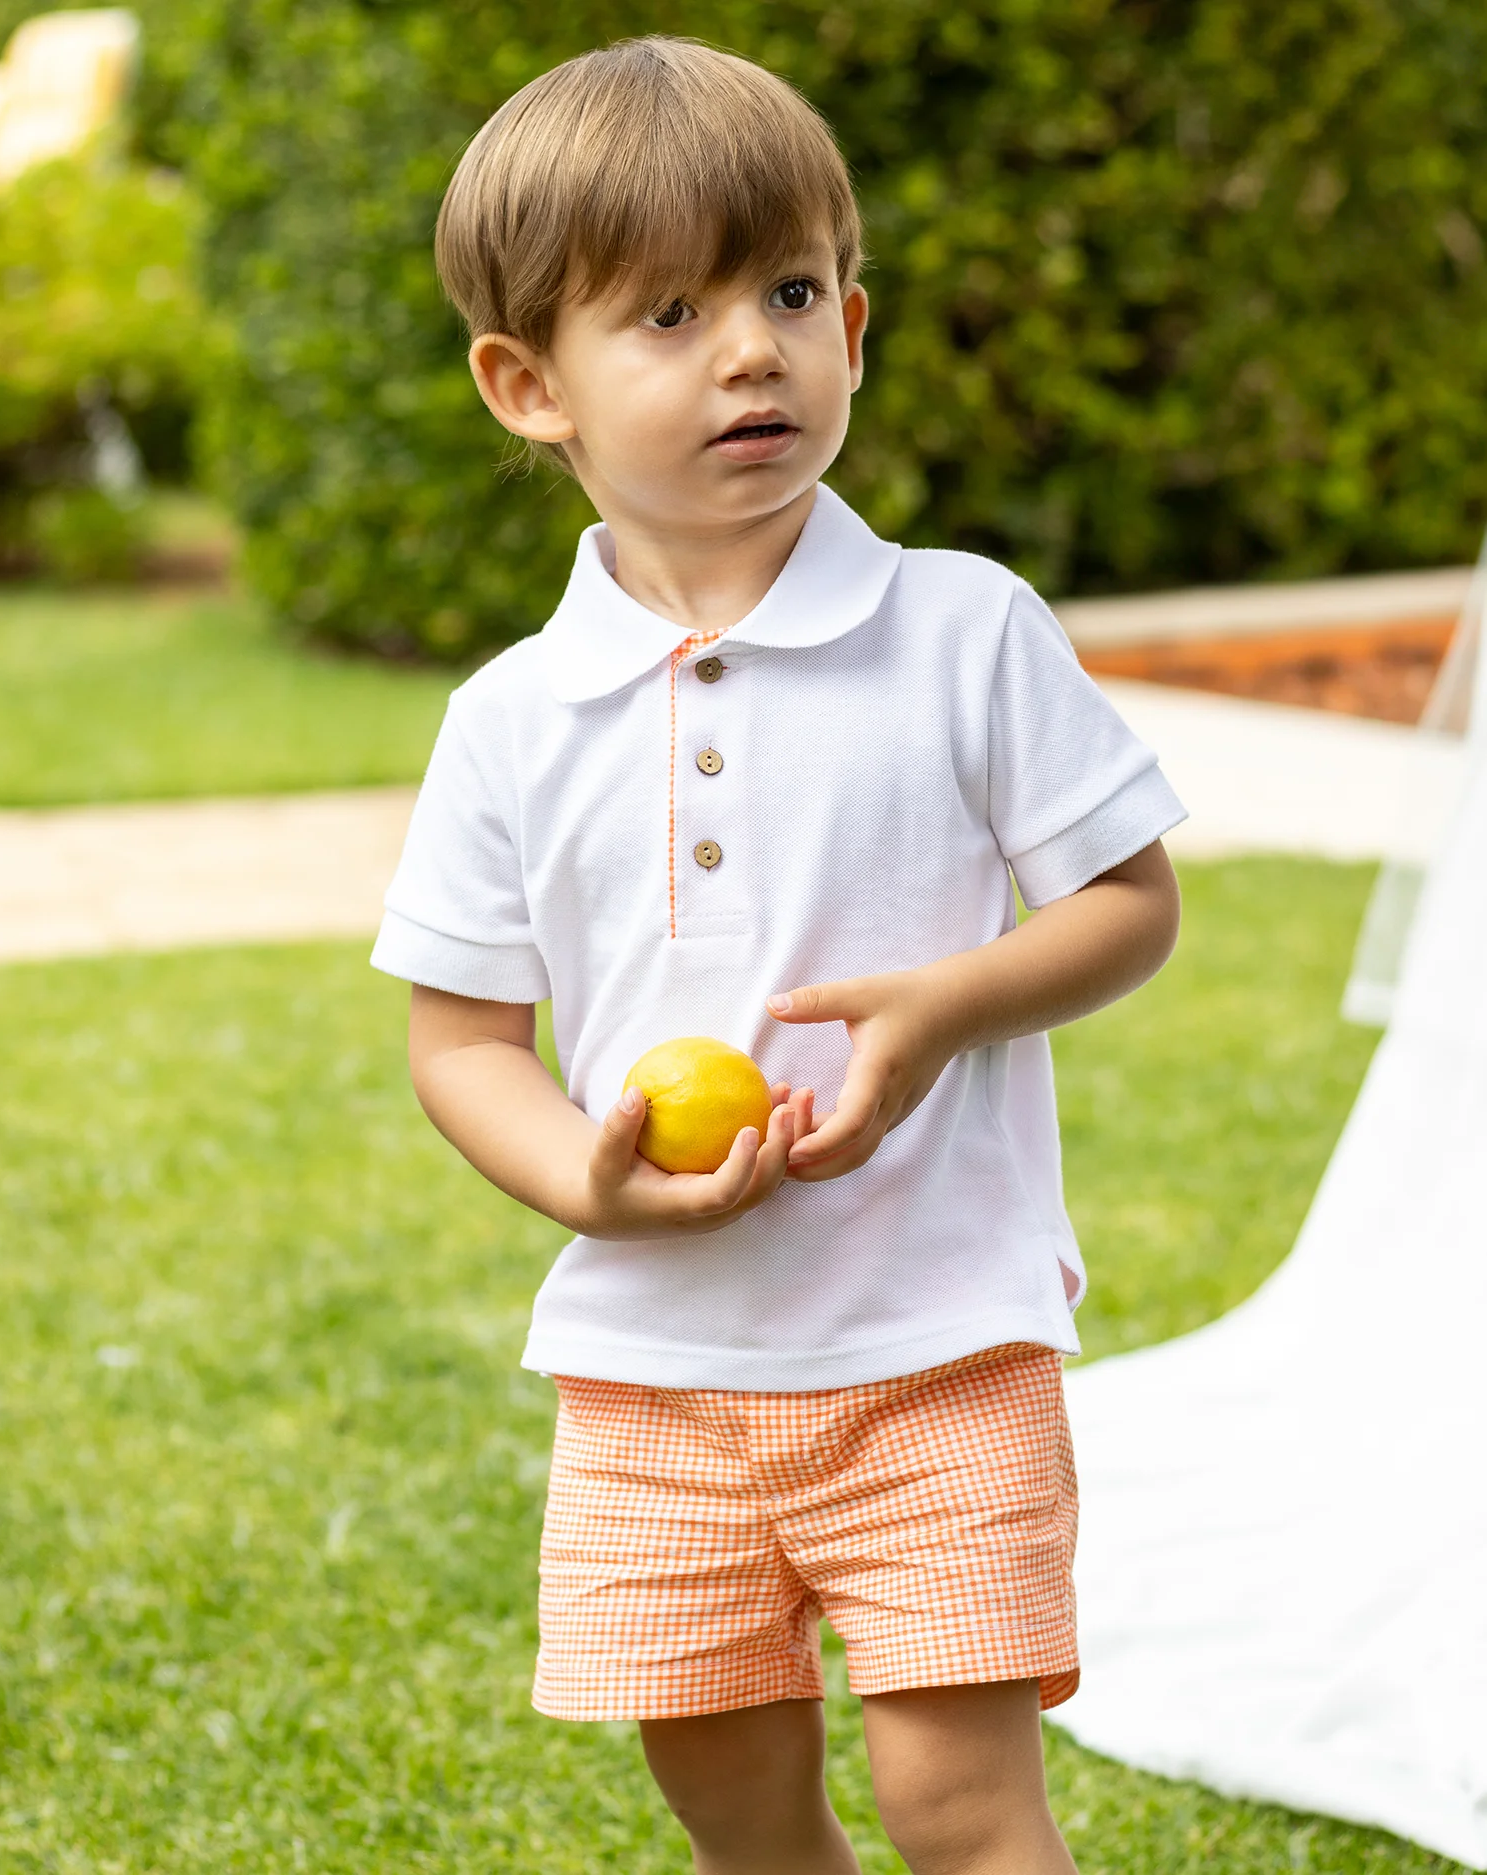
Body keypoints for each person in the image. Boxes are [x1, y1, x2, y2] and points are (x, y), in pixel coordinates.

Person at [374, 36, 1185, 1875]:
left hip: (939, 1345)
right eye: (670, 313)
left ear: (855, 328)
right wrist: (585, 1181)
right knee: (733, 1801)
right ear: (528, 385)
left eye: (793, 293)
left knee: (958, 1803)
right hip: (655, 1367)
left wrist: (946, 1003)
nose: (753, 349)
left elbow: (1130, 904)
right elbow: (464, 1040)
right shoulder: (511, 719)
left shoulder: (966, 631)